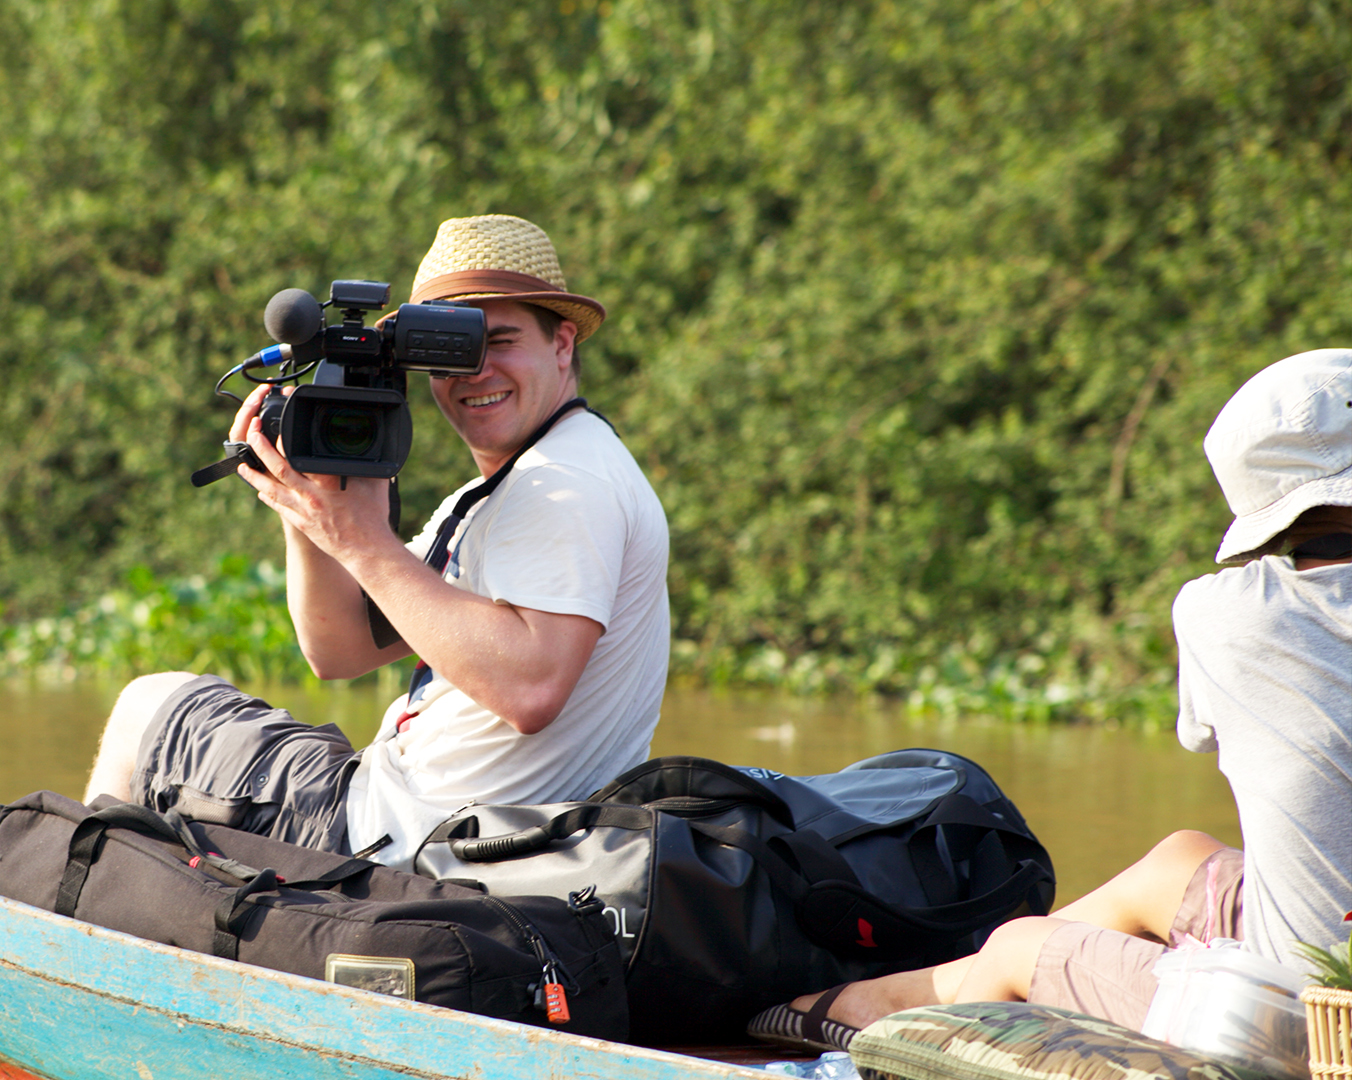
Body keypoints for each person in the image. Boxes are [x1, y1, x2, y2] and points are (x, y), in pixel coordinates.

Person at [749, 347, 1352, 1053]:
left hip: (1312, 1020)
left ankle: (902, 1010)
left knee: (1018, 945)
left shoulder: (1232, 613)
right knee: (1179, 861)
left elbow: (1213, 734)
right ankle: (934, 984)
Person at [81, 214, 672, 870]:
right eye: (452, 352)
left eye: (499, 341)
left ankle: (68, 919)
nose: (474, 373)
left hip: (409, 838)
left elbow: (531, 689)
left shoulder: (563, 480)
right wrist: (310, 507)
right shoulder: (522, 481)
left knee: (148, 706)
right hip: (430, 822)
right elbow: (340, 649)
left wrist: (362, 541)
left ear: (563, 344)